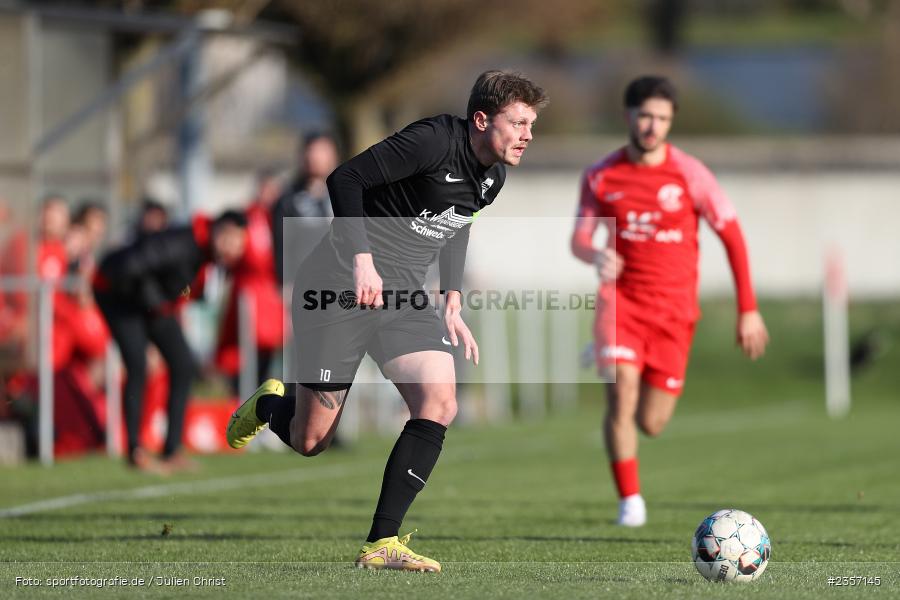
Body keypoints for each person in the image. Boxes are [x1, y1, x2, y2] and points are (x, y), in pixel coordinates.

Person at [227, 70, 548, 571]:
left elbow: (457, 228)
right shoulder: (433, 140)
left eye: (532, 123)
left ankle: (381, 542)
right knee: (312, 441)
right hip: (336, 287)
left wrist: (453, 296)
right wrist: (361, 259)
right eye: (519, 122)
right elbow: (345, 178)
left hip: (401, 298)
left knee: (440, 400)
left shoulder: (493, 177)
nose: (528, 134)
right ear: (482, 119)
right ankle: (272, 405)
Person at [570, 76, 769, 527]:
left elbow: (732, 236)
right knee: (620, 398)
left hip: (674, 315)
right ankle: (631, 502)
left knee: (652, 423)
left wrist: (748, 309)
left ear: (671, 121)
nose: (652, 126)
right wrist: (595, 252)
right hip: (621, 306)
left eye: (661, 118)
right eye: (645, 116)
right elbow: (581, 238)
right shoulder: (601, 176)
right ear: (628, 116)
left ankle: (607, 356)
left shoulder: (691, 175)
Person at [93, 211, 248, 472]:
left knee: (184, 365)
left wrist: (163, 305)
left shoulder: (208, 257)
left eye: (241, 245)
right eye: (233, 241)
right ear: (220, 231)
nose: (235, 250)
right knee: (138, 365)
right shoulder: (180, 242)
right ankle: (135, 451)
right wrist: (157, 307)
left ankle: (171, 450)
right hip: (117, 293)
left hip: (151, 304)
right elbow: (131, 267)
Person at [271, 133, 339, 285]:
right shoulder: (288, 201)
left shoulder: (347, 194)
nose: (315, 158)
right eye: (311, 152)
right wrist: (286, 283)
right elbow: (282, 248)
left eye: (322, 151)